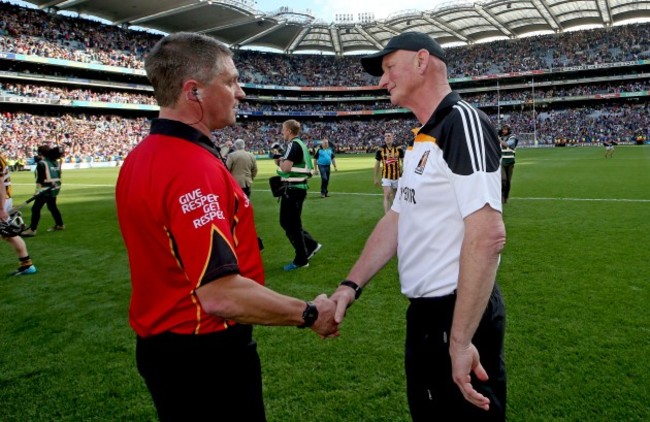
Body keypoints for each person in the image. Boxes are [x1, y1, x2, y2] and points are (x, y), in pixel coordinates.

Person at [114, 32, 338, 422]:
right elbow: (219, 294)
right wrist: (309, 313)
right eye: (231, 80)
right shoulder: (192, 168)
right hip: (205, 356)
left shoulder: (140, 157)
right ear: (194, 91)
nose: (242, 91)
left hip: (165, 351)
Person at [331, 32, 507, 421]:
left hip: (458, 314)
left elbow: (489, 235)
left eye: (389, 67)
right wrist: (350, 286)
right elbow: (397, 218)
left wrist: (460, 342)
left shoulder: (461, 122)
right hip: (426, 318)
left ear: (422, 61)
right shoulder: (421, 140)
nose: (381, 80)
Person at [275, 119, 322, 271]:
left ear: (289, 130)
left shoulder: (292, 144)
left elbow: (286, 168)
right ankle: (310, 245)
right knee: (291, 223)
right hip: (298, 188)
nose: (282, 132)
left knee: (291, 224)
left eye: (283, 129)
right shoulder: (301, 144)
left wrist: (278, 161)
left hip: (293, 189)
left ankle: (301, 259)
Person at [0, 155, 37, 276]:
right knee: (8, 234)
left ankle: (27, 265)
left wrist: (1, 208)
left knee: (9, 234)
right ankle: (26, 264)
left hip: (2, 201)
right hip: (5, 199)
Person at [20, 145, 65, 237]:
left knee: (36, 208)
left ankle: (32, 229)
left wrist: (37, 192)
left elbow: (40, 180)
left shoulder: (42, 163)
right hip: (54, 189)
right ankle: (60, 224)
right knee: (52, 207)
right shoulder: (55, 162)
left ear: (40, 153)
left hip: (45, 190)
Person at [374, 132, 403, 213]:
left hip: (397, 177)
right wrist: (376, 177)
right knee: (387, 195)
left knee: (395, 197)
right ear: (384, 138)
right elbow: (377, 164)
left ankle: (395, 214)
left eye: (389, 136)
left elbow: (403, 161)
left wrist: (404, 173)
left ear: (392, 137)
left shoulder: (398, 148)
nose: (387, 137)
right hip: (386, 177)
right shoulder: (380, 150)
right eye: (386, 136)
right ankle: (387, 215)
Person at [499, 125, 518, 204]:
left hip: (510, 161)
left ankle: (506, 197)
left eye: (505, 129)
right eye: (503, 129)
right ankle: (502, 196)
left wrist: (498, 140)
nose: (504, 131)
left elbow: (507, 144)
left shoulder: (513, 137)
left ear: (509, 130)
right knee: (503, 179)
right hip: (502, 161)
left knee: (508, 181)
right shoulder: (500, 137)